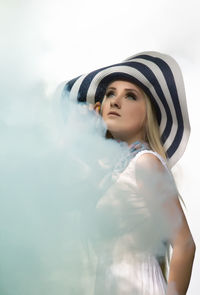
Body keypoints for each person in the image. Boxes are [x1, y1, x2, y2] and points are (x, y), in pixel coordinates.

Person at [63, 51, 196, 295]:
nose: (114, 101)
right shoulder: (107, 175)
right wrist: (87, 135)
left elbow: (185, 244)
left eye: (130, 96)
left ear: (148, 116)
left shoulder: (145, 163)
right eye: (110, 94)